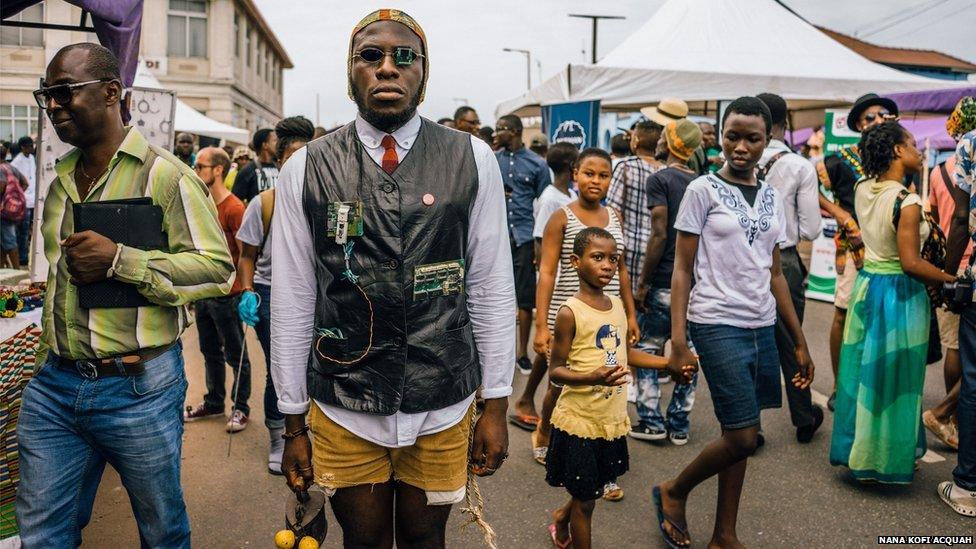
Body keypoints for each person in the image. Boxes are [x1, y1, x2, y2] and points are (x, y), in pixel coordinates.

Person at [272, 11, 514, 547]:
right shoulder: (306, 168)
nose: (387, 68)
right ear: (350, 72)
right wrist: (291, 425)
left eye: (404, 57)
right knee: (363, 541)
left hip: (443, 397)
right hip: (342, 399)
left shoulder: (472, 158)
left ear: (423, 73)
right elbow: (292, 300)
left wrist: (495, 402)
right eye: (370, 56)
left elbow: (492, 286)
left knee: (426, 540)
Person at [15, 43, 234, 547]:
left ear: (111, 92)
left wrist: (121, 260)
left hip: (139, 389)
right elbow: (58, 280)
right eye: (47, 95)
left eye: (65, 93)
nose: (53, 106)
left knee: (161, 532)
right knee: (43, 534)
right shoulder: (61, 181)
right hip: (55, 385)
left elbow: (219, 271)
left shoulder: (166, 175)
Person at [654, 97, 814, 549]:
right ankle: (674, 490)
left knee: (738, 432)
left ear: (768, 140)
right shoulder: (702, 190)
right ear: (720, 136)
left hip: (761, 325)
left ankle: (725, 534)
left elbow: (776, 272)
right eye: (732, 136)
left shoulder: (770, 196)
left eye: (752, 138)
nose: (741, 146)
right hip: (716, 321)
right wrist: (678, 339)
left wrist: (799, 341)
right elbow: (681, 269)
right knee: (744, 437)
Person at [546, 227, 695, 549]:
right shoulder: (570, 312)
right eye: (597, 257)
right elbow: (555, 370)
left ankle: (561, 518)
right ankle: (569, 522)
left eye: (613, 259)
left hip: (609, 420)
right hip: (580, 421)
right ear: (575, 261)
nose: (607, 265)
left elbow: (626, 356)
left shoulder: (615, 306)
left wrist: (666, 363)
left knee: (593, 488)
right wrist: (591, 378)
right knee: (586, 502)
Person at [829, 121, 954, 485]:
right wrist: (953, 279)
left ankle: (859, 451)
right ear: (898, 150)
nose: (919, 150)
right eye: (913, 144)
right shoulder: (907, 201)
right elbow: (911, 263)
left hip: (868, 286)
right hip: (900, 294)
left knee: (865, 375)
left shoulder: (863, 186)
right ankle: (885, 458)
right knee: (897, 381)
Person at [533, 147, 638, 502]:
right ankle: (546, 433)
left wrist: (632, 313)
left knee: (605, 382)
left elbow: (622, 270)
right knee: (561, 386)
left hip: (609, 313)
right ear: (575, 174)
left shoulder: (615, 216)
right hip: (569, 312)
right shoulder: (562, 217)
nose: (596, 181)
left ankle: (602, 464)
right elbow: (547, 271)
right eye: (589, 173)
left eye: (603, 175)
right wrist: (541, 325)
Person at [236, 115, 315, 474]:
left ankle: (311, 434)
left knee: (315, 366)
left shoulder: (324, 203)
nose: (302, 164)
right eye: (294, 156)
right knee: (280, 368)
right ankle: (278, 438)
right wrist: (249, 291)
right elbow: (247, 255)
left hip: (315, 295)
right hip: (270, 295)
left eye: (308, 156)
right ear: (280, 160)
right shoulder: (263, 204)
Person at [816, 92, 898, 411]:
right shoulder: (839, 160)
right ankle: (839, 384)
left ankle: (875, 384)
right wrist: (842, 215)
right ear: (858, 126)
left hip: (889, 247)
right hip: (855, 249)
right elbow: (808, 190)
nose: (877, 120)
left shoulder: (896, 157)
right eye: (869, 118)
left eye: (882, 115)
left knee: (884, 318)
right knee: (844, 311)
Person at [756, 92, 825, 443]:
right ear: (787, 123)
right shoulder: (800, 166)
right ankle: (802, 417)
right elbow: (812, 229)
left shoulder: (736, 160)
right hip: (783, 259)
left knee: (750, 339)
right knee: (791, 338)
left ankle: (748, 426)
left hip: (743, 259)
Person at [633, 119, 703, 445]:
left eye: (663, 135)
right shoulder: (704, 183)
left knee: (647, 347)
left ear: (671, 142)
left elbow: (659, 232)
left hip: (664, 278)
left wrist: (643, 282)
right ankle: (679, 423)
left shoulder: (659, 179)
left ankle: (651, 420)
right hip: (696, 282)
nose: (658, 140)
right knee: (688, 350)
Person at [183, 147, 252, 432]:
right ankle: (214, 402)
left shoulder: (235, 208)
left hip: (229, 297)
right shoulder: (203, 203)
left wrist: (245, 289)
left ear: (218, 170)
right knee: (209, 351)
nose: (196, 171)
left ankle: (241, 408)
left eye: (200, 166)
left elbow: (246, 254)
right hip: (204, 295)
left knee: (237, 356)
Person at [511, 142, 578, 430]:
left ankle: (531, 400)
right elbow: (540, 241)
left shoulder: (569, 193)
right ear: (570, 166)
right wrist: (545, 278)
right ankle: (532, 404)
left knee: (555, 346)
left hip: (573, 280)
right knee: (553, 345)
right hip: (558, 280)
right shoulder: (551, 197)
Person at [938, 95, 976, 517]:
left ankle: (968, 485)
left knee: (974, 378)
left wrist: (951, 276)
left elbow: (961, 219)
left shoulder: (971, 143)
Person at [924, 125, 973, 450]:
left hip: (961, 262)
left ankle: (951, 415)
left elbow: (953, 218)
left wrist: (947, 274)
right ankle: (948, 415)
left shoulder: (963, 151)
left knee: (957, 346)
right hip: (963, 265)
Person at [495, 113, 552, 375]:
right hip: (497, 237)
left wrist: (540, 246)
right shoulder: (493, 160)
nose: (497, 134)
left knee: (524, 299)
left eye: (502, 129)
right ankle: (499, 351)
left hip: (525, 237)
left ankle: (521, 353)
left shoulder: (537, 165)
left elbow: (544, 204)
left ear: (515, 131)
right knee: (497, 297)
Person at [0, 141, 29, 268]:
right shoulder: (11, 167)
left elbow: (1, 187)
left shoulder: (0, 168)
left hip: (3, 210)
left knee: (9, 240)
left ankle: (17, 270)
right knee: (2, 242)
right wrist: (14, 199)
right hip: (12, 209)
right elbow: (25, 183)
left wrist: (7, 199)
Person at [232, 127, 278, 202]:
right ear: (265, 145)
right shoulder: (248, 170)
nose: (278, 144)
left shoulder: (279, 167)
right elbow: (236, 200)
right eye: (275, 141)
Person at [11, 135, 36, 264]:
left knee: (33, 231)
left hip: (34, 200)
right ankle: (22, 258)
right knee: (23, 232)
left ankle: (29, 257)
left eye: (33, 145)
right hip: (24, 202)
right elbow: (15, 184)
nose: (32, 148)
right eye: (30, 146)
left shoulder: (32, 158)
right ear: (23, 147)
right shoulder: (16, 163)